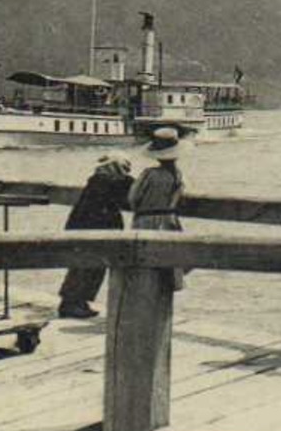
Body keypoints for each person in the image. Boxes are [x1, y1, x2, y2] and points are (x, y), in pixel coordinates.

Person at [56, 154, 133, 318]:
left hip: (84, 228)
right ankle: (73, 303)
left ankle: (74, 302)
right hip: (96, 230)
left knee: (83, 267)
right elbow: (127, 200)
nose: (125, 172)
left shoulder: (97, 180)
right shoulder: (109, 182)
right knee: (90, 267)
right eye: (124, 169)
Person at [129, 127, 188, 293]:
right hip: (169, 221)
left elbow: (133, 198)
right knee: (168, 267)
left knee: (143, 264)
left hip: (146, 220)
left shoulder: (149, 174)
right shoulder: (178, 176)